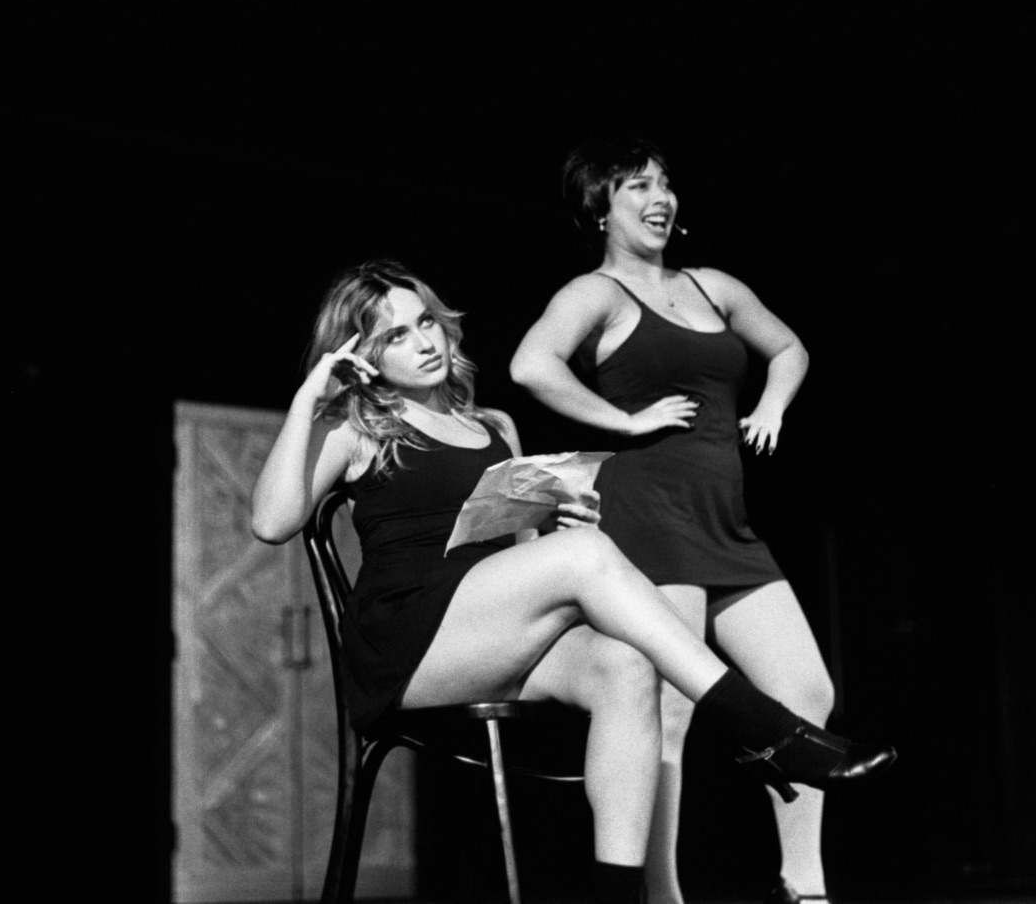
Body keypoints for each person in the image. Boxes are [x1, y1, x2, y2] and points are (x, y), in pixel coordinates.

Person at [253, 260, 895, 904]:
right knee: (584, 556)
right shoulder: (354, 427)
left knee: (625, 664)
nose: (424, 342)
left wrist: (555, 529)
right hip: (409, 644)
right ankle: (765, 727)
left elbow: (520, 552)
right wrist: (309, 399)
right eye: (396, 336)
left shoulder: (495, 426)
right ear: (363, 355)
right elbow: (272, 523)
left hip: (486, 634)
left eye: (426, 323)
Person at [510, 139, 876, 904]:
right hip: (648, 515)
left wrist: (771, 405)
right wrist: (623, 420)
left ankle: (802, 884)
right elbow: (530, 365)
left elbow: (788, 347)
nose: (659, 198)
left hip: (723, 523)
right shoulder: (595, 294)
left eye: (664, 184)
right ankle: (661, 894)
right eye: (637, 186)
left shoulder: (712, 286)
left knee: (805, 692)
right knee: (666, 709)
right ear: (600, 209)